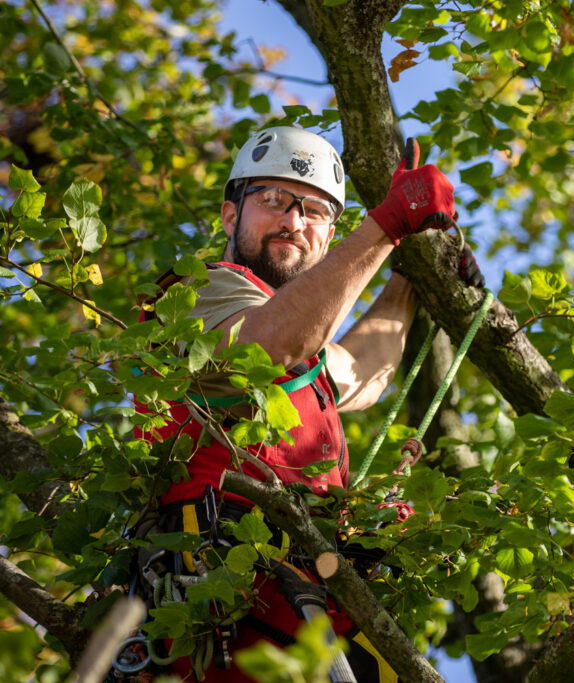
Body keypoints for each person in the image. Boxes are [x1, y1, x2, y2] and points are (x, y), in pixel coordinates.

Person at [132, 126, 476, 682]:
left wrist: (408, 279)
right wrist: (388, 224)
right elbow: (268, 348)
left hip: (307, 612)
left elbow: (363, 372)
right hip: (220, 601)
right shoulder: (197, 297)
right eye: (273, 201)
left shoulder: (306, 346)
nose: (294, 221)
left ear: (330, 233)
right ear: (229, 215)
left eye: (315, 211)